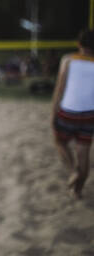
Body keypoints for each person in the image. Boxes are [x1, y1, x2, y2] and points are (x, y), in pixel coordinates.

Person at [51, 29, 94, 199]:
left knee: (59, 142)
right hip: (90, 115)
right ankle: (77, 190)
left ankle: (73, 171)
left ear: (78, 44)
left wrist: (53, 113)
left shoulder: (68, 60)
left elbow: (59, 89)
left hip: (68, 112)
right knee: (83, 153)